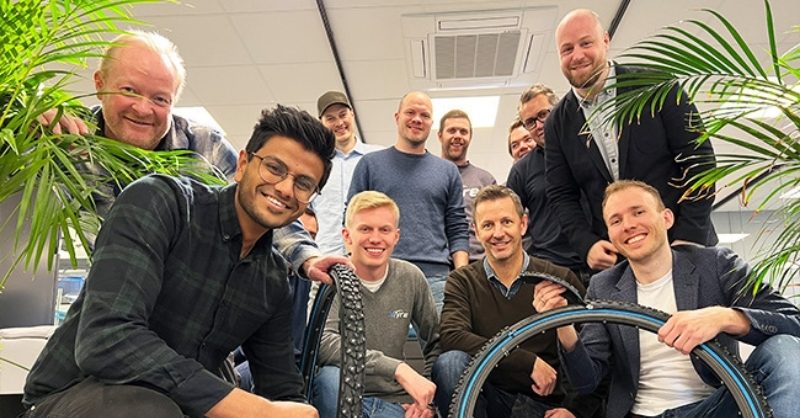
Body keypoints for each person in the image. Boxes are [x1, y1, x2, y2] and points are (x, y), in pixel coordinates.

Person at [23, 105, 338, 418]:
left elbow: (281, 388)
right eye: (274, 168)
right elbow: (107, 339)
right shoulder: (161, 203)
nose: (285, 188)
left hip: (179, 408)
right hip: (77, 397)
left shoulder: (273, 280)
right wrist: (253, 409)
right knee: (149, 409)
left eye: (303, 184)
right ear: (242, 164)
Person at [44, 30, 338, 282]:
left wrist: (307, 257)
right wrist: (24, 119)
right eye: (130, 90)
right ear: (99, 84)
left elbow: (262, 197)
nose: (143, 109)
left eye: (160, 99)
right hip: (104, 302)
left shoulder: (204, 146)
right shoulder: (63, 143)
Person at [534, 180, 800, 418]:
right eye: (615, 221)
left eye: (638, 212)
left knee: (784, 348)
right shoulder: (602, 286)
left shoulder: (716, 264)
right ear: (610, 235)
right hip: (642, 414)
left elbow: (793, 322)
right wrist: (563, 325)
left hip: (716, 407)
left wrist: (725, 317)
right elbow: (586, 382)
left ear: (667, 218)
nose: (628, 225)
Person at [545, 9, 717, 271]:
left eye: (586, 43)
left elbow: (700, 163)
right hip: (620, 261)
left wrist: (689, 236)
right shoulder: (557, 123)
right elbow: (561, 195)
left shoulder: (656, 86)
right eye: (567, 49)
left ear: (605, 41)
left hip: (684, 246)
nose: (577, 56)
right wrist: (586, 244)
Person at [433, 185, 599, 418]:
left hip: (546, 407)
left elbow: (592, 353)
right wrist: (526, 362)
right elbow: (452, 336)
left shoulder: (559, 278)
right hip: (490, 401)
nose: (498, 233)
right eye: (488, 225)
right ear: (476, 232)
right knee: (450, 364)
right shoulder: (462, 281)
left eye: (506, 222)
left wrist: (574, 410)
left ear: (523, 224)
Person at [311, 191, 440, 418]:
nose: (375, 238)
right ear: (347, 236)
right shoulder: (330, 279)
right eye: (365, 229)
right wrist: (397, 368)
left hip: (393, 402)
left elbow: (436, 340)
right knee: (330, 378)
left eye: (385, 230)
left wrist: (425, 401)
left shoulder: (411, 277)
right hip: (340, 396)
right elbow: (322, 343)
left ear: (396, 237)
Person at [348, 91, 470, 310]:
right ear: (397, 117)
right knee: (378, 334)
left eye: (424, 115)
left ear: (431, 123)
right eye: (410, 112)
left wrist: (461, 277)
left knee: (440, 334)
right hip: (381, 276)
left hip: (436, 279)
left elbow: (457, 227)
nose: (417, 119)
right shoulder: (370, 165)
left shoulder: (448, 171)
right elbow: (351, 220)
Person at [507, 84, 588, 283]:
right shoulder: (521, 171)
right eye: (530, 122)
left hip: (601, 258)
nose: (539, 125)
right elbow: (510, 222)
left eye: (543, 114)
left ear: (557, 109)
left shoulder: (588, 147)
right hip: (553, 270)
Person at [314, 91, 382, 256]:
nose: (339, 123)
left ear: (352, 114)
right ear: (321, 123)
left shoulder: (378, 158)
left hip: (371, 255)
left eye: (343, 115)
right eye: (330, 118)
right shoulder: (315, 164)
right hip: (326, 255)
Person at [437, 109, 496, 262]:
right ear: (440, 135)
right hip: (440, 261)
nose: (458, 135)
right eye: (452, 130)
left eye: (463, 132)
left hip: (479, 261)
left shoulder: (485, 179)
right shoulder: (429, 177)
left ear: (470, 137)